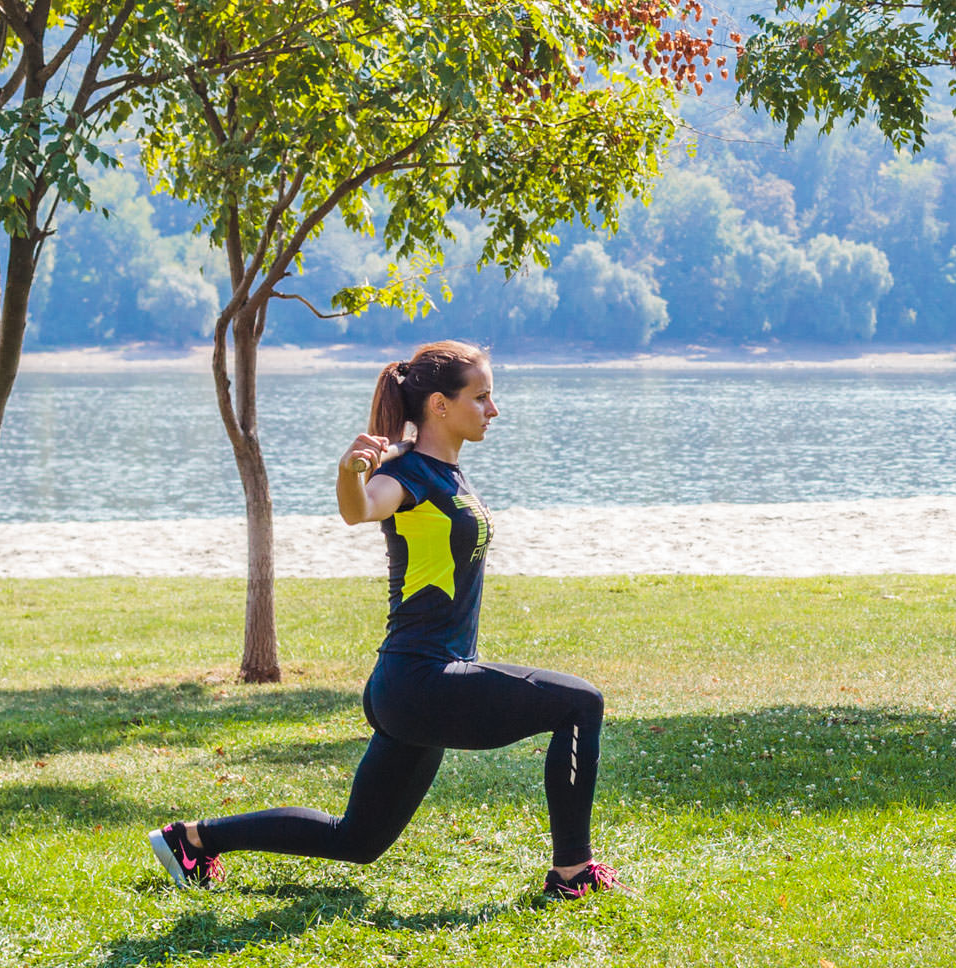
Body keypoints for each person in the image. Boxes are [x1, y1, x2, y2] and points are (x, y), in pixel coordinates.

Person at [148, 339, 623, 899]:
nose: (493, 410)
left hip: (414, 687)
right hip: (423, 682)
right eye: (482, 397)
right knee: (579, 703)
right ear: (440, 405)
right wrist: (351, 472)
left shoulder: (445, 473)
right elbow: (360, 508)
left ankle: (192, 841)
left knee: (358, 840)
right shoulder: (409, 476)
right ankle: (573, 873)